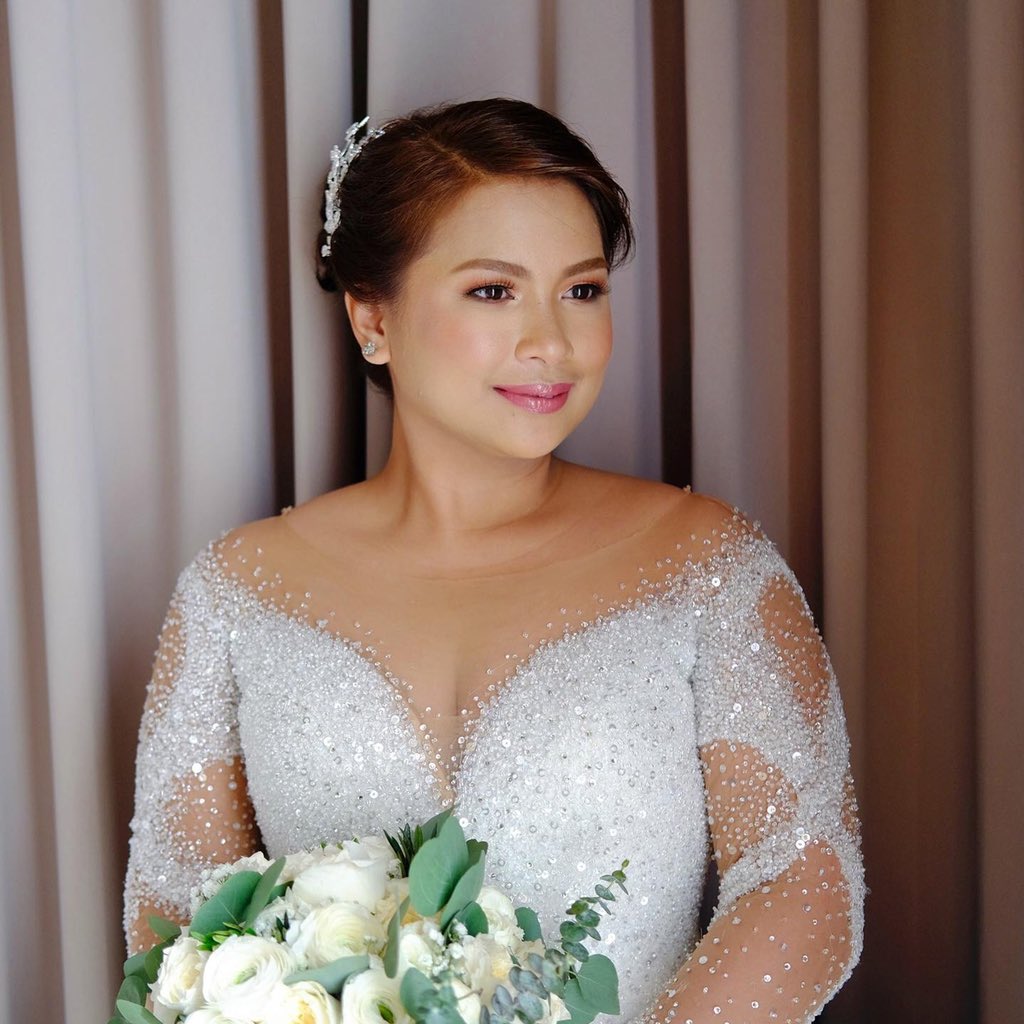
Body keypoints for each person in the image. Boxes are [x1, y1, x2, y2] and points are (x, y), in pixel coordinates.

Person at [124, 98, 863, 1022]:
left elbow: (803, 879)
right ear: (372, 317)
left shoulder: (707, 564)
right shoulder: (236, 591)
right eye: (493, 291)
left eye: (582, 291)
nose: (551, 342)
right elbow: (176, 919)